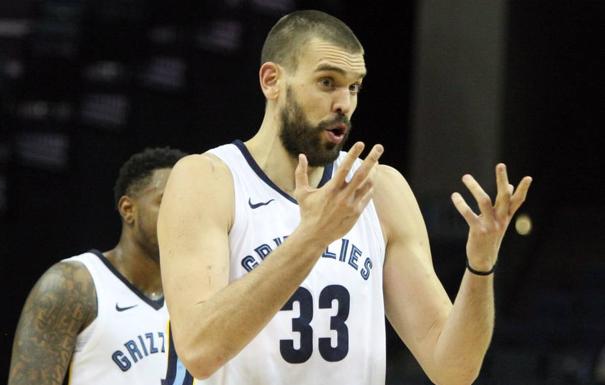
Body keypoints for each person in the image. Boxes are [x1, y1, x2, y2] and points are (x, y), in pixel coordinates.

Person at [158, 10, 532, 385]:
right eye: (327, 82)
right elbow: (199, 351)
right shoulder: (208, 180)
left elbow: (453, 370)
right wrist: (312, 237)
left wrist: (481, 266)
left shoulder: (382, 190)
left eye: (353, 87)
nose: (345, 103)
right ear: (272, 81)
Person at [8, 146, 187, 385]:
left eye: (190, 204)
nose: (183, 213)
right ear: (128, 209)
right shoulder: (73, 285)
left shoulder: (205, 294)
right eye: (167, 201)